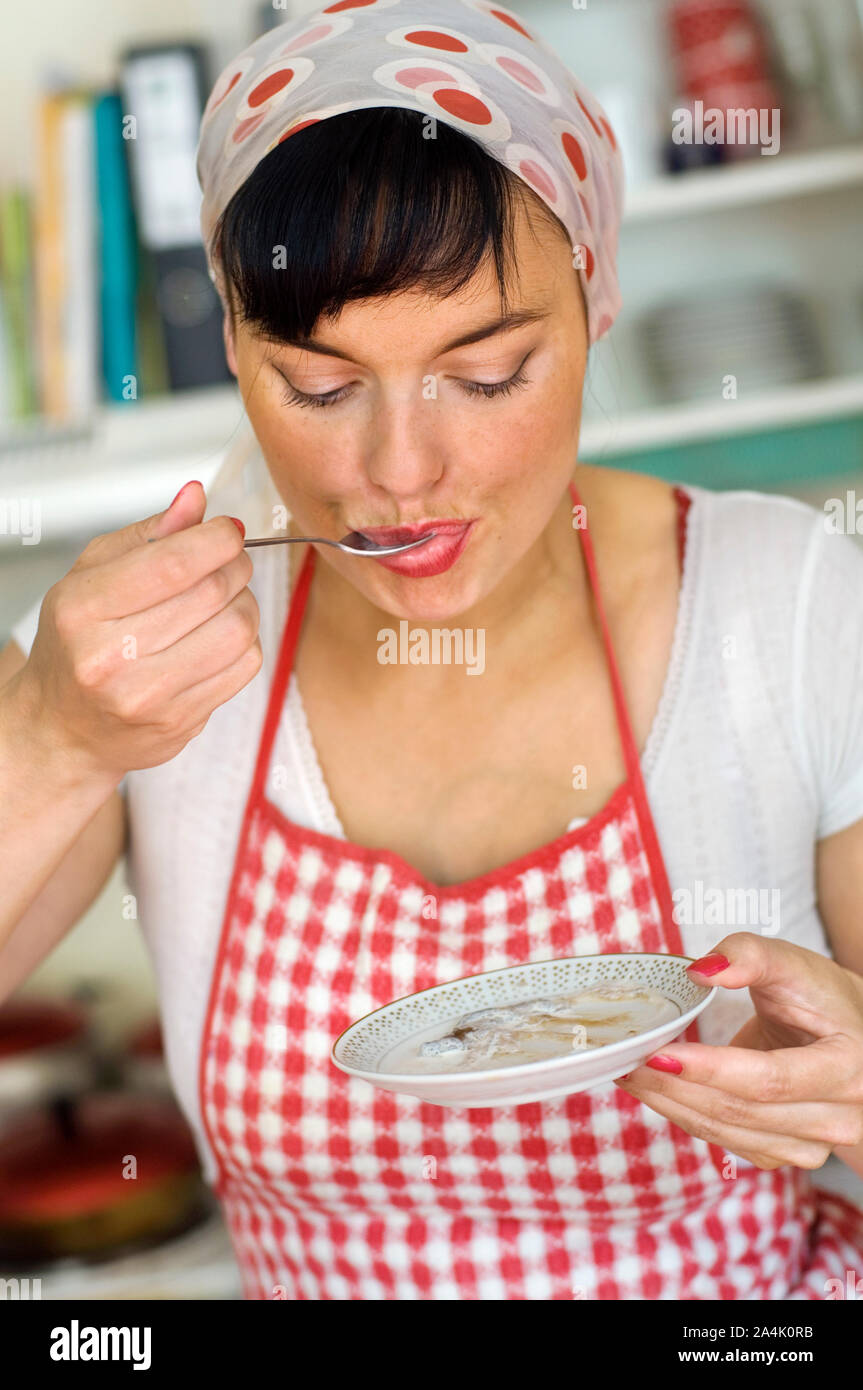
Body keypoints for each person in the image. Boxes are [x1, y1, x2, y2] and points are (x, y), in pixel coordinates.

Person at [2, 0, 863, 1300]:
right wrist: (53, 741)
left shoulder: (786, 597)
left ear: (593, 303)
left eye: (490, 371)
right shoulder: (129, 653)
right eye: (320, 387)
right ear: (233, 344)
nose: (400, 472)